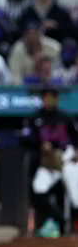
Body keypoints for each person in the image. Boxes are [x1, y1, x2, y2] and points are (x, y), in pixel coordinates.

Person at [21, 87, 78, 236]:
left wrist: (76, 152)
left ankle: (74, 229)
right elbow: (25, 138)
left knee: (76, 197)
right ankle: (59, 221)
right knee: (38, 188)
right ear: (42, 99)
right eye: (46, 97)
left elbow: (75, 138)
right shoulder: (35, 118)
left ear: (56, 99)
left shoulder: (65, 117)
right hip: (49, 161)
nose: (49, 100)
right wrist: (40, 145)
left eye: (52, 97)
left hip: (67, 159)